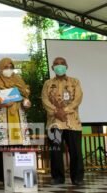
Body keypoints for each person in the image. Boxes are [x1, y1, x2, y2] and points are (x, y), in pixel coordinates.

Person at [0, 58, 31, 182]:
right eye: (5, 67)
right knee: (1, 145)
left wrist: (26, 103)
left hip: (18, 117)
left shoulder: (19, 81)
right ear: (0, 68)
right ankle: (0, 176)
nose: (8, 69)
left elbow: (25, 99)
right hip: (1, 118)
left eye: (11, 67)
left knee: (18, 145)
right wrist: (1, 105)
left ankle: (18, 173)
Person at [41, 57, 84, 185]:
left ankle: (77, 178)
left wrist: (64, 110)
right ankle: (58, 178)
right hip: (54, 122)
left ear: (67, 66)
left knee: (75, 151)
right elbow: (44, 100)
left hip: (72, 123)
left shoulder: (74, 82)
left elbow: (78, 99)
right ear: (52, 67)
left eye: (62, 64)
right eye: (57, 64)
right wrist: (56, 111)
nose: (60, 66)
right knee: (55, 152)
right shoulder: (47, 84)